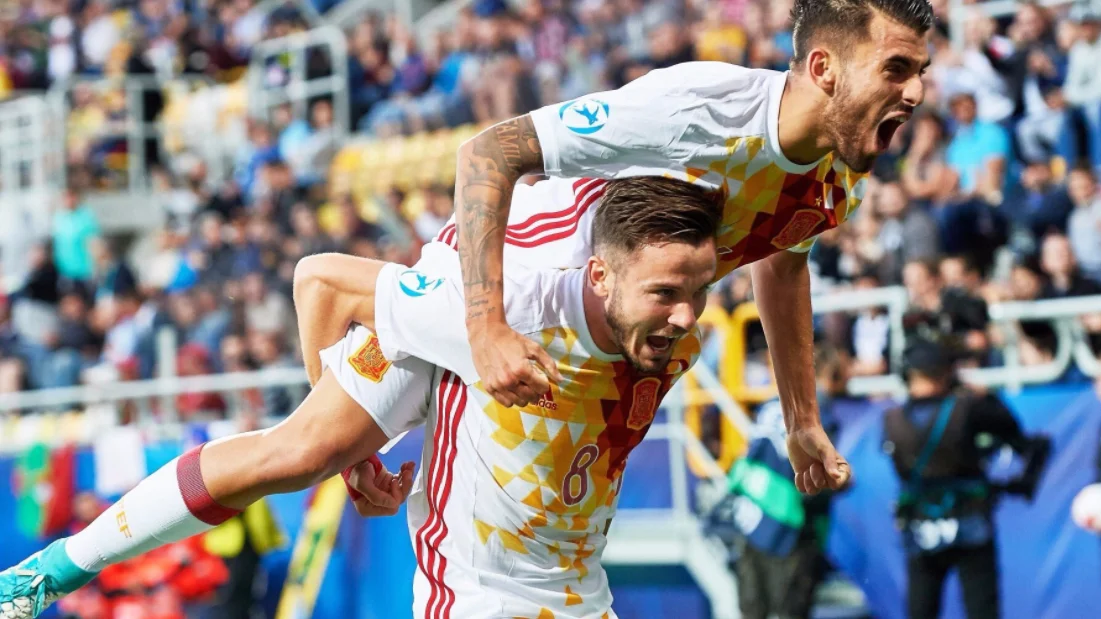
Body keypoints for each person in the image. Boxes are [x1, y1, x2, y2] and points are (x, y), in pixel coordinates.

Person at [0, 176, 722, 619]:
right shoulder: (501, 308)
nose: (686, 315)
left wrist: (802, 420)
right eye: (666, 294)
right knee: (300, 451)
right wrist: (350, 437)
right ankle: (52, 569)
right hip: (472, 281)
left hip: (575, 596)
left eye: (699, 291)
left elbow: (780, 254)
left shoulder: (675, 331)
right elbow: (321, 279)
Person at [401, 0, 933, 496]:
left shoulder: (839, 181)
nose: (915, 94)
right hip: (508, 276)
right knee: (320, 443)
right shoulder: (701, 106)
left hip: (591, 351)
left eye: (919, 73)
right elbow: (489, 152)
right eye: (895, 69)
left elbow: (784, 267)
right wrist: (485, 325)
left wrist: (801, 418)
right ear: (823, 69)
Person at [883, 336, 1051, 619]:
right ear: (946, 372)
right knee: (981, 608)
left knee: (921, 608)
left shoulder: (892, 419)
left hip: (921, 525)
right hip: (970, 524)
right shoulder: (967, 408)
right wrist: (986, 395)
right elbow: (1018, 436)